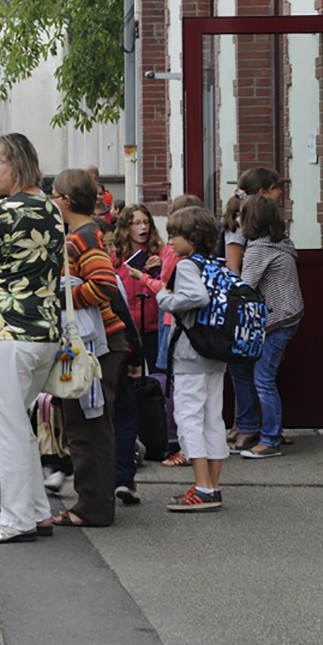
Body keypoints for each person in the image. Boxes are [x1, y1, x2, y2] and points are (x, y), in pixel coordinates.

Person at [0, 133, 66, 544]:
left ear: (16, 164)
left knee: (4, 428)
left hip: (7, 327)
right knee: (18, 424)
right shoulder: (52, 208)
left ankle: (17, 517)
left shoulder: (4, 211)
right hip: (44, 328)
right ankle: (37, 511)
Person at [50, 167, 127, 528]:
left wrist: (64, 297)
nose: (52, 201)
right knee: (87, 423)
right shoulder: (86, 233)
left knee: (88, 425)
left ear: (66, 199)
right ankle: (94, 500)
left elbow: (104, 284)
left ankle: (93, 507)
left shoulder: (82, 238)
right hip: (97, 341)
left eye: (54, 194)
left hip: (95, 344)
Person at [158, 205, 230, 513]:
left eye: (176, 235)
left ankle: (201, 488)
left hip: (191, 354)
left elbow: (195, 299)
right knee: (213, 418)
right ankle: (212, 486)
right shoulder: (216, 264)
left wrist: (164, 298)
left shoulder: (187, 267)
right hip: (215, 354)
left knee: (188, 418)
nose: (171, 241)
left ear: (193, 237)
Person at [234, 195, 304, 458]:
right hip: (288, 315)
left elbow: (245, 287)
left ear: (251, 220)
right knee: (262, 377)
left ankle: (270, 440)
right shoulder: (279, 244)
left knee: (263, 380)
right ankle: (256, 430)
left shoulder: (257, 249)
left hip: (276, 320)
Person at [111, 203, 165, 501]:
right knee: (129, 391)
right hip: (128, 329)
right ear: (126, 227)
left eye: (146, 222)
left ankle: (157, 434)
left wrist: (156, 272)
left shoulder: (159, 253)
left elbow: (166, 289)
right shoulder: (117, 257)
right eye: (136, 223)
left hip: (152, 324)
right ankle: (129, 450)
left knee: (155, 381)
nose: (142, 228)